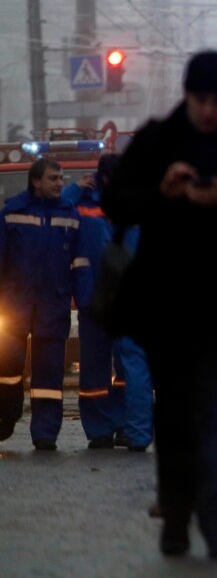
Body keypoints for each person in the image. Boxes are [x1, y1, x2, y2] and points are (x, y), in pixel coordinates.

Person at [103, 51, 217, 560]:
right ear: (187, 96)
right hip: (167, 309)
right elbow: (116, 203)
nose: (209, 111)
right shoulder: (158, 141)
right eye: (201, 100)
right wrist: (162, 193)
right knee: (177, 418)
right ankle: (176, 519)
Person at [62, 154, 153, 451]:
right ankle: (135, 433)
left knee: (95, 370)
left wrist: (75, 189)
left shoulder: (84, 204)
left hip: (95, 299)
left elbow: (58, 209)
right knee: (132, 369)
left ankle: (101, 430)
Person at [0, 159, 92, 450]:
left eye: (61, 179)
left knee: (49, 377)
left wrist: (86, 301)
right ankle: (5, 418)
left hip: (53, 305)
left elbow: (80, 265)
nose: (59, 183)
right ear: (35, 181)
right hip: (14, 306)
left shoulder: (71, 217)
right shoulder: (12, 214)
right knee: (7, 370)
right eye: (53, 178)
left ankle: (45, 434)